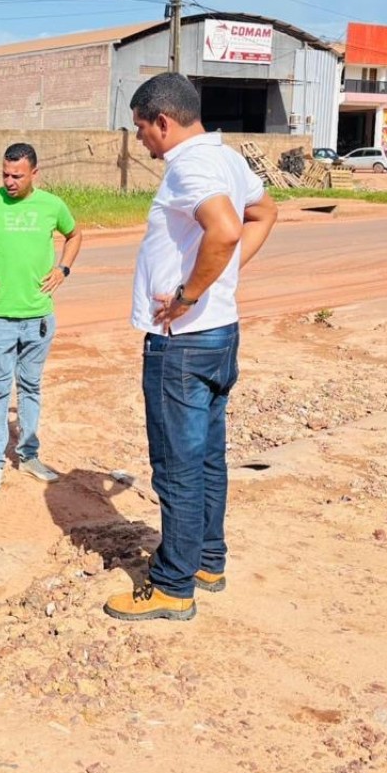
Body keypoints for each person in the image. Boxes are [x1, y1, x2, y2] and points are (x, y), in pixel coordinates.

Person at [104, 74, 278, 624]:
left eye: (141, 129)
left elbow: (225, 229)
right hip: (219, 334)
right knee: (206, 458)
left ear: (163, 121)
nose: (141, 142)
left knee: (177, 465)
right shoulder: (224, 157)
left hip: (182, 343)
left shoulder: (189, 165)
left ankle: (173, 586)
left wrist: (191, 291)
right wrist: (218, 282)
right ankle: (207, 560)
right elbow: (264, 213)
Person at [0, 144, 82, 496]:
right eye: (5, 175)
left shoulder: (52, 205)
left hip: (38, 315)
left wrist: (62, 269)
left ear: (34, 174)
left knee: (30, 387)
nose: (9, 181)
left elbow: (74, 234)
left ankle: (28, 456)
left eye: (17, 176)